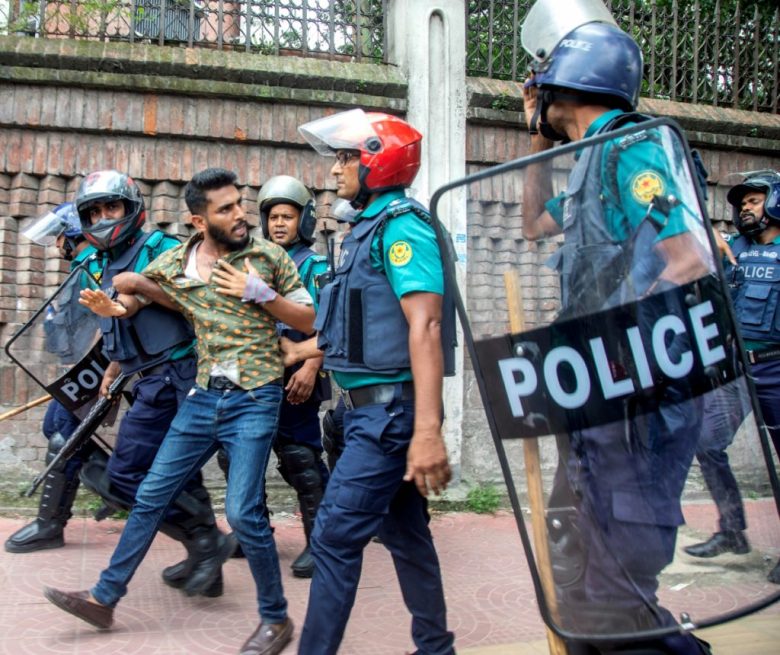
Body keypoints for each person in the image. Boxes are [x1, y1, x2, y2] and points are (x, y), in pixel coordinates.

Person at [44, 167, 314, 655]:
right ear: (197, 221)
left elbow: (310, 317)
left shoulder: (268, 257)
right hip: (202, 397)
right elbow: (138, 291)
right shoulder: (177, 260)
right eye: (225, 209)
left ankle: (276, 620)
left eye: (238, 204)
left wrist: (262, 294)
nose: (239, 215)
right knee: (149, 496)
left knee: (243, 511)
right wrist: (115, 307)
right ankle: (104, 599)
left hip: (254, 397)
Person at [519, 7, 712, 654]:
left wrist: (623, 352)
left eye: (541, 82)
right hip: (601, 401)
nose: (534, 92)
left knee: (615, 595)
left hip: (633, 403)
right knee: (579, 575)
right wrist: (540, 142)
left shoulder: (631, 147)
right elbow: (532, 224)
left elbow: (687, 262)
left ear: (565, 80)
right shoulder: (593, 164)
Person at [281, 108, 456, 655]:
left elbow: (425, 325)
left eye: (345, 157)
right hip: (365, 413)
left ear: (377, 161)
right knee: (406, 536)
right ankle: (436, 647)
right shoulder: (363, 232)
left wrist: (428, 430)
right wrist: (295, 341)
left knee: (333, 539)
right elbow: (351, 328)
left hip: (388, 417)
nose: (335, 171)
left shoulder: (403, 226)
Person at [50, 171, 232, 598]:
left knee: (125, 475)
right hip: (148, 378)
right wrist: (112, 372)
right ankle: (206, 563)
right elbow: (122, 329)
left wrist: (139, 289)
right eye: (92, 211)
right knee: (182, 473)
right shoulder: (100, 263)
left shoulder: (164, 248)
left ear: (131, 209)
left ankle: (206, 542)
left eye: (110, 207)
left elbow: (205, 301)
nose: (101, 217)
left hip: (179, 374)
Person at [697, 170, 780, 583]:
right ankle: (732, 531)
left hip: (778, 368)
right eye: (742, 203)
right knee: (708, 443)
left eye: (755, 200)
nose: (745, 208)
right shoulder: (733, 249)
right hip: (737, 367)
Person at [5, 203, 103, 553]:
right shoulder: (83, 265)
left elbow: (101, 326)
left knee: (64, 435)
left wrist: (88, 374)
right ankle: (115, 490)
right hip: (81, 372)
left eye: (60, 235)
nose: (57, 242)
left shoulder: (93, 265)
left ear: (73, 235)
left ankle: (50, 525)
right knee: (55, 429)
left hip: (95, 373)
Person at [257, 174, 331, 578]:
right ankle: (254, 532)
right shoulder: (257, 265)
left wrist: (310, 365)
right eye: (272, 217)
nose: (279, 224)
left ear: (304, 220)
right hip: (259, 377)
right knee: (237, 456)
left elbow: (330, 323)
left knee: (299, 457)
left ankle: (322, 542)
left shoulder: (315, 265)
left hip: (296, 378)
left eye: (287, 216)